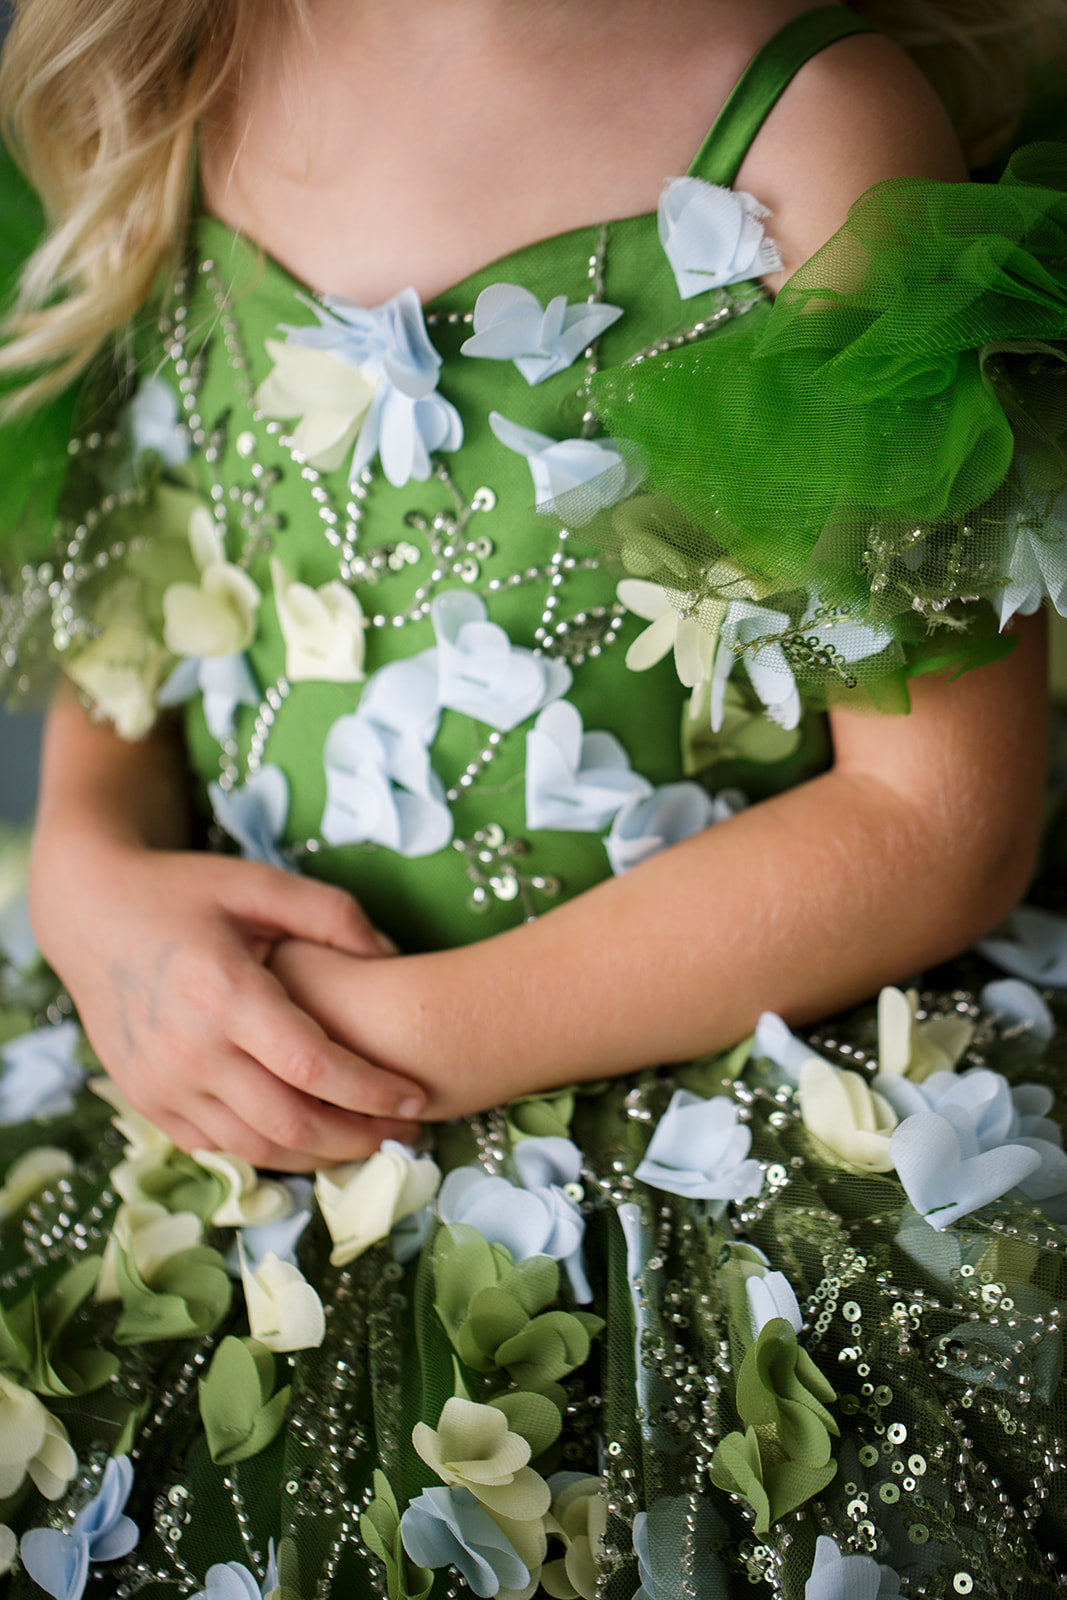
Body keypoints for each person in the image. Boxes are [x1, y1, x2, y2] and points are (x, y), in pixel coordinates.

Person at [0, 0, 1064, 1595]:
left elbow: (935, 826)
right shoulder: (181, 65)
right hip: (196, 1043)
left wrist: (367, 1047)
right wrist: (86, 887)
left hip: (712, 1092)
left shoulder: (817, 130)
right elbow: (141, 630)